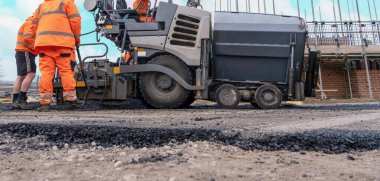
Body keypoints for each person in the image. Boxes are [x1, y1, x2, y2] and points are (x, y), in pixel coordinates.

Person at [25, 0, 81, 111]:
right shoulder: (67, 3)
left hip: (44, 45)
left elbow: (32, 27)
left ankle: (45, 103)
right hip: (63, 44)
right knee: (66, 72)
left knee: (46, 73)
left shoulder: (41, 6)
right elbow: (75, 22)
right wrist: (76, 39)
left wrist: (38, 41)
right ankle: (70, 101)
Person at [12, 16, 38, 109]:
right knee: (31, 74)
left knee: (21, 76)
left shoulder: (28, 22)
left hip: (21, 51)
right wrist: (37, 50)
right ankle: (21, 99)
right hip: (26, 51)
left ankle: (15, 101)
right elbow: (27, 38)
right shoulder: (31, 23)